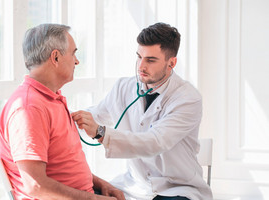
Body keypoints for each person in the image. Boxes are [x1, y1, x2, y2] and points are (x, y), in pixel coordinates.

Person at [72, 22, 213, 200]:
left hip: (176, 188)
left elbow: (155, 142)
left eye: (151, 60)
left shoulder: (187, 98)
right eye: (139, 57)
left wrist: (100, 132)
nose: (141, 66)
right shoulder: (123, 87)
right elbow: (95, 114)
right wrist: (60, 117)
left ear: (172, 63)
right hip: (133, 186)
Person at [0, 24, 125, 200]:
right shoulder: (29, 108)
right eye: (73, 53)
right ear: (56, 57)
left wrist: (102, 184)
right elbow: (35, 186)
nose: (77, 61)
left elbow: (63, 166)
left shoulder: (52, 98)